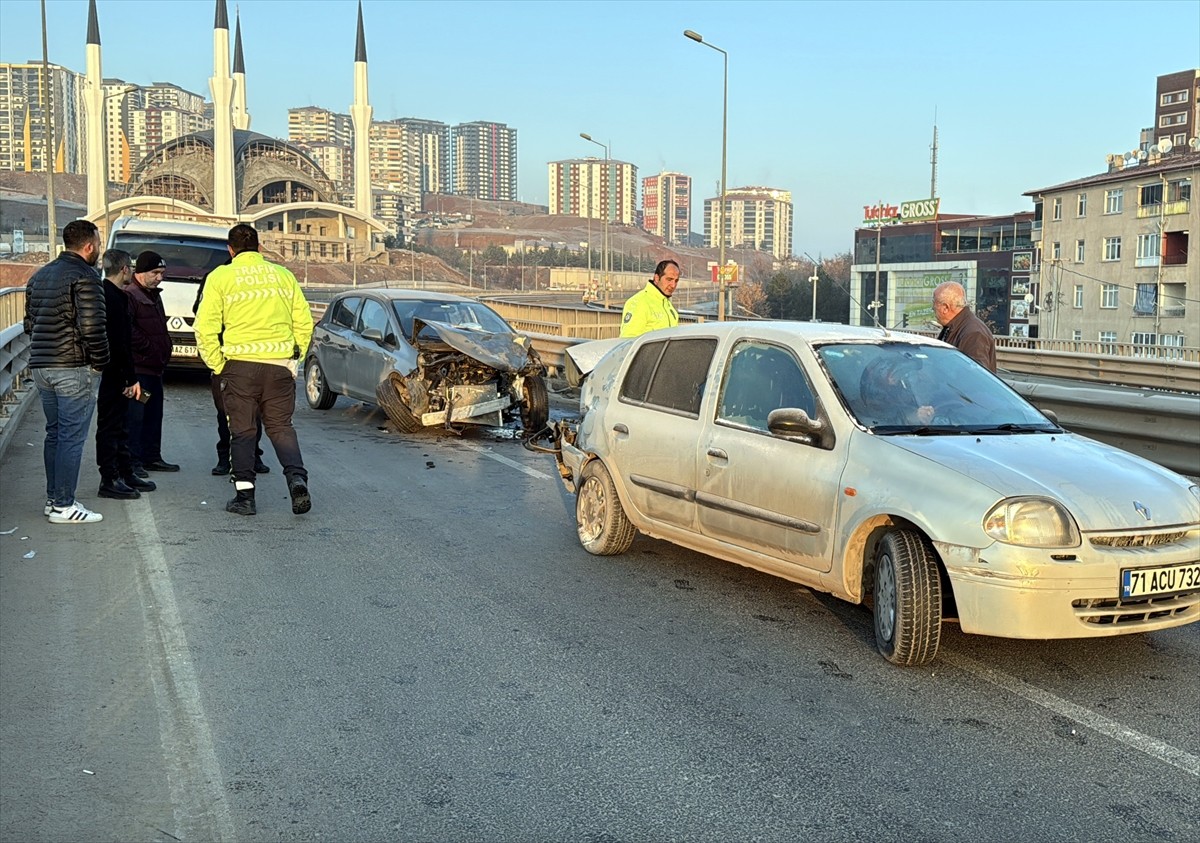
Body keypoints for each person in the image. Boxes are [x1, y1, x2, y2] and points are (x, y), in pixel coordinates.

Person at [195, 223, 314, 516]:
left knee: (243, 431)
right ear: (260, 248)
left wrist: (217, 364)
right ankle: (296, 478)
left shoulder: (221, 277)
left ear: (230, 250)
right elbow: (304, 321)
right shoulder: (283, 276)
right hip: (278, 365)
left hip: (239, 366)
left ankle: (245, 498)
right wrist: (293, 360)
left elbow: (205, 326)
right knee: (281, 427)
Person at [23, 219, 109, 523]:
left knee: (55, 434)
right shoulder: (86, 276)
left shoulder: (39, 275)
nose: (99, 249)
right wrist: (100, 362)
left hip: (42, 367)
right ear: (89, 246)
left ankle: (53, 499)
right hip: (73, 367)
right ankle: (64, 505)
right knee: (72, 437)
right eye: (98, 243)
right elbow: (93, 327)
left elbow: (29, 325)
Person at [193, 273, 269, 476]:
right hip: (226, 357)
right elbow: (200, 313)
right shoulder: (216, 278)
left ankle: (253, 455)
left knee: (254, 411)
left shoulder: (259, 280)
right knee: (225, 411)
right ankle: (225, 457)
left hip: (254, 356)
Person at [95, 249, 157, 499]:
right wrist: (129, 378)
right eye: (130, 267)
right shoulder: (112, 297)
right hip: (114, 371)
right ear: (124, 269)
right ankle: (109, 478)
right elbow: (120, 341)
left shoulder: (108, 293)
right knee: (111, 425)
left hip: (116, 369)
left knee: (120, 425)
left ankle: (124, 471)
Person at [125, 250, 179, 474]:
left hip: (155, 368)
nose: (159, 277)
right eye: (155, 272)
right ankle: (133, 461)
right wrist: (150, 347)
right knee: (136, 417)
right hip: (140, 369)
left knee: (154, 415)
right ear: (140, 272)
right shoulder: (131, 295)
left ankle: (151, 456)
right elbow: (128, 330)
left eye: (162, 273)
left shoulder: (153, 295)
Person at [932, 281, 997, 372]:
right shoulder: (953, 327)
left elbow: (974, 377)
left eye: (934, 303)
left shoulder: (973, 334)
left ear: (945, 308)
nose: (932, 308)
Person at [857, 354, 935, 427]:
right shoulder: (873, 398)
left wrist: (920, 416)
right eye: (895, 373)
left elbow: (906, 410)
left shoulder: (904, 391)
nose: (895, 379)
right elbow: (888, 412)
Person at [620, 259, 680, 338]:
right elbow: (628, 340)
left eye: (676, 281)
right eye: (669, 279)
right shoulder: (639, 302)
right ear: (656, 278)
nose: (673, 285)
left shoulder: (668, 306)